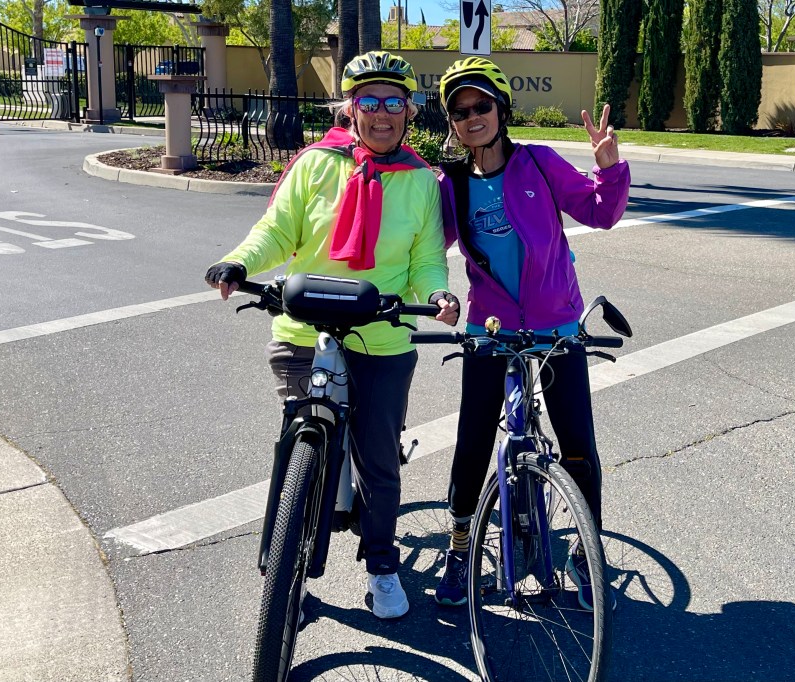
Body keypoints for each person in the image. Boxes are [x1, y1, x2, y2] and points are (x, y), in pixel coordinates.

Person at [204, 50, 460, 620]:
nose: (382, 113)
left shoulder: (421, 180)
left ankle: (382, 566)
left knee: (378, 460)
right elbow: (276, 230)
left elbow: (426, 260)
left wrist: (438, 294)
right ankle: (283, 575)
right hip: (305, 328)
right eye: (369, 101)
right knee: (298, 446)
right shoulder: (314, 163)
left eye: (394, 101)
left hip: (382, 335)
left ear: (410, 110)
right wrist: (239, 262)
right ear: (350, 108)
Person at [433, 57, 630, 610]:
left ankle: (587, 554)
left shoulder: (538, 163)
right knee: (473, 440)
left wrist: (609, 169)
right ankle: (460, 546)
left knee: (577, 445)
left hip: (556, 322)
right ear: (452, 123)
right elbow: (424, 249)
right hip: (490, 326)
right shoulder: (452, 184)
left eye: (481, 106)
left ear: (501, 110)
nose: (472, 117)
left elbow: (600, 213)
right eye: (460, 111)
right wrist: (430, 293)